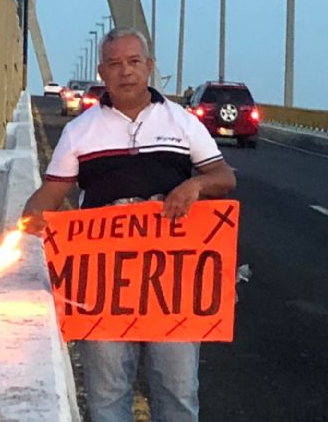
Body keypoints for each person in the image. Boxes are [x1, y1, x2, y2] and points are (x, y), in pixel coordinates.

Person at [22, 27, 237, 422]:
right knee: (107, 398)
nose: (126, 72)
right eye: (116, 64)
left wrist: (196, 184)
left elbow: (225, 177)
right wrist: (27, 220)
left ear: (149, 67)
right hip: (103, 285)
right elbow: (51, 195)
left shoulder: (183, 123)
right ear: (102, 72)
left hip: (172, 282)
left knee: (178, 394)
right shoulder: (79, 132)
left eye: (134, 62)